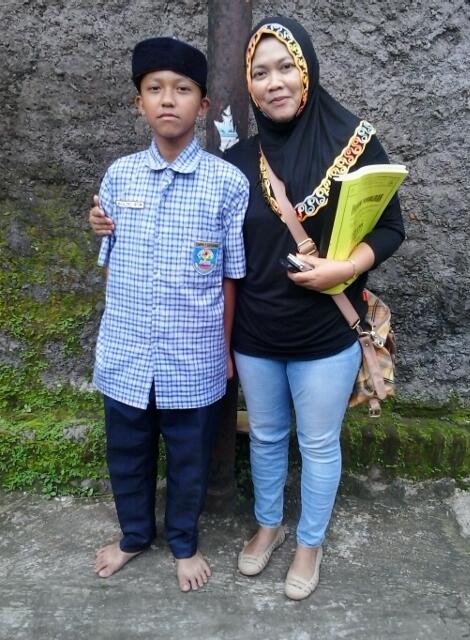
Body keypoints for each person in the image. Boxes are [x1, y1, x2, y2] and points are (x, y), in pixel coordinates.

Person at [90, 17, 405, 600]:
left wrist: (344, 268)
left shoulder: (355, 144)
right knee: (264, 437)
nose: (274, 82)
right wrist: (107, 219)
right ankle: (267, 526)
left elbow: (390, 227)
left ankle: (308, 544)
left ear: (306, 71)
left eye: (286, 67)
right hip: (256, 337)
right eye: (260, 73)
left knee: (317, 444)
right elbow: (218, 256)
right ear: (249, 86)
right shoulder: (237, 163)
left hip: (324, 333)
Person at [91, 36, 249, 593]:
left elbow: (231, 276)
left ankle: (184, 542)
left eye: (182, 89)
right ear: (139, 102)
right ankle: (134, 535)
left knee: (188, 460)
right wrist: (98, 223)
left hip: (193, 355)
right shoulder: (119, 177)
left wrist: (224, 351)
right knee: (126, 453)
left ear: (202, 105)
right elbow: (111, 264)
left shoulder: (228, 184)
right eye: (154, 89)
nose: (167, 99)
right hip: (127, 353)